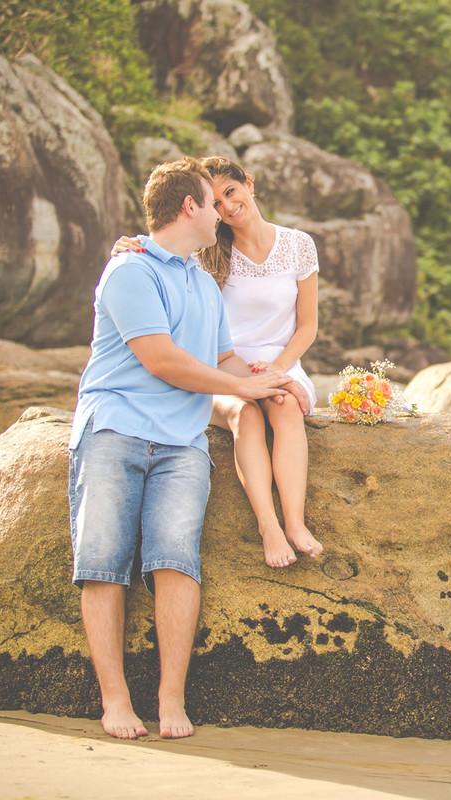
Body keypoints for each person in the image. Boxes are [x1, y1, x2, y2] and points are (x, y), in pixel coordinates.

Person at [70, 157, 295, 740]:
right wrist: (241, 389)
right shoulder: (130, 270)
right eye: (211, 203)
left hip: (182, 443)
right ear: (189, 206)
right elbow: (162, 360)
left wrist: (270, 383)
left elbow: (223, 359)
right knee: (103, 563)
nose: (221, 213)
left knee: (177, 561)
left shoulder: (200, 280)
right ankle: (115, 701)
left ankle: (171, 700)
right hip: (115, 428)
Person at [113, 156, 323, 569]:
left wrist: (278, 370)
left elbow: (308, 325)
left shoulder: (299, 244)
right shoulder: (208, 250)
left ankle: (295, 523)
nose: (227, 207)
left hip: (282, 362)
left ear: (249, 183)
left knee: (284, 405)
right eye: (217, 201)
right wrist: (129, 246)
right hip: (222, 366)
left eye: (231, 192)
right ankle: (268, 526)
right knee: (247, 412)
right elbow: (165, 248)